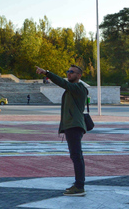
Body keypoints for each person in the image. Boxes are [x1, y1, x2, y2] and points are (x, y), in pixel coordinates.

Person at [35, 65, 88, 196]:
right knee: (75, 156)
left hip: (74, 126)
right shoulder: (72, 89)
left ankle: (80, 186)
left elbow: (63, 83)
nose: (69, 74)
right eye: (68, 71)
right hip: (71, 125)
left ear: (79, 76)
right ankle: (78, 184)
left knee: (77, 156)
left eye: (72, 72)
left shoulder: (79, 88)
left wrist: (47, 73)